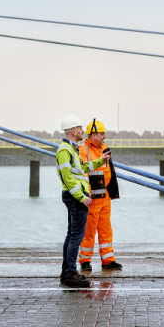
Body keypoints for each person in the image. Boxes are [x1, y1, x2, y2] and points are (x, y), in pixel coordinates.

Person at [57, 115, 110, 288]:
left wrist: (100, 161)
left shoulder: (72, 148)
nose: (83, 131)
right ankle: (70, 273)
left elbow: (82, 168)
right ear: (73, 131)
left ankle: (67, 272)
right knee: (76, 238)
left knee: (71, 235)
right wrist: (81, 197)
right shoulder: (65, 150)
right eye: (80, 129)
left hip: (75, 196)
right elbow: (67, 178)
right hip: (76, 197)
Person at [78, 119, 122, 271]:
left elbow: (109, 171)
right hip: (91, 198)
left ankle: (108, 260)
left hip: (105, 198)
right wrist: (84, 195)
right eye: (102, 134)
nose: (104, 137)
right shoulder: (83, 149)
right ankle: (84, 261)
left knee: (105, 229)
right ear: (93, 134)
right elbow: (81, 171)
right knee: (88, 231)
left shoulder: (105, 148)